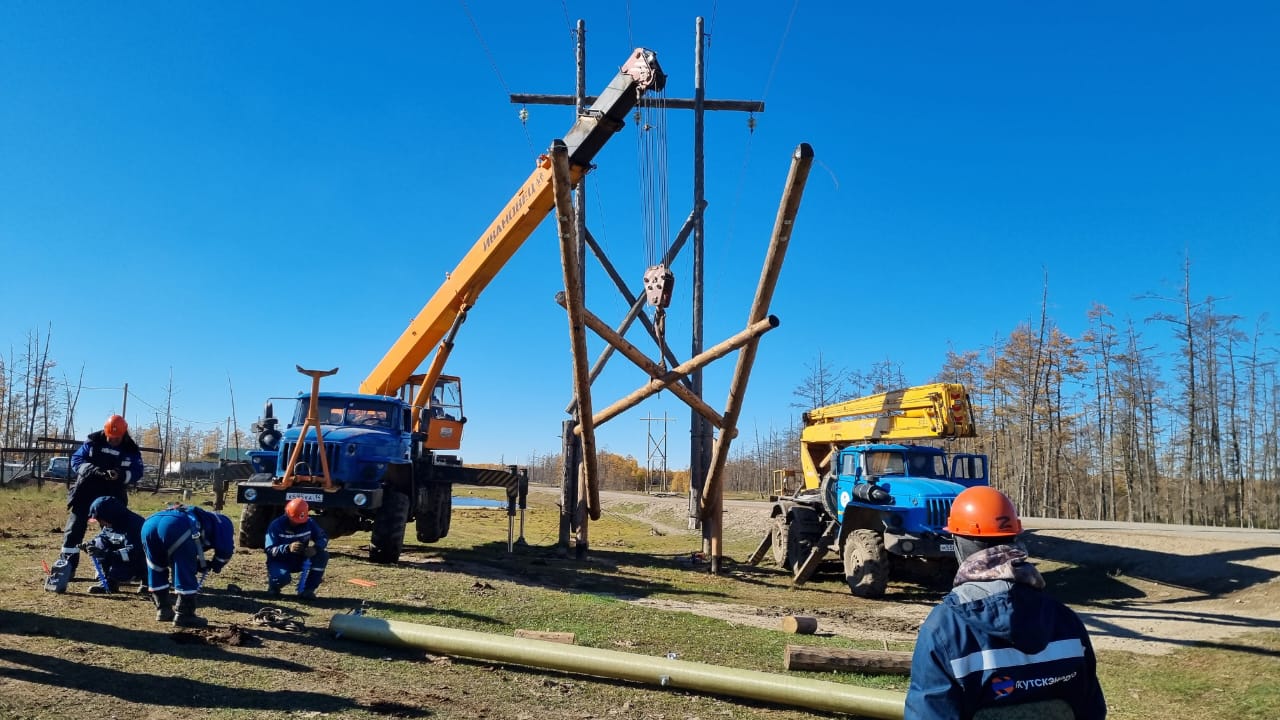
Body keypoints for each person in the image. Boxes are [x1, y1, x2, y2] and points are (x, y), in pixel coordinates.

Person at [906, 486, 1106, 720]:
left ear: (958, 544)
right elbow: (1091, 711)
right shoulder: (1066, 621)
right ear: (1014, 538)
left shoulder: (944, 629)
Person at [47, 415, 144, 590]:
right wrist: (94, 470)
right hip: (85, 493)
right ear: (105, 431)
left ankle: (111, 571)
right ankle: (67, 567)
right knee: (74, 531)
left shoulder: (130, 449)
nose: (113, 440)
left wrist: (120, 475)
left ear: (124, 434)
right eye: (110, 436)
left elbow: (137, 471)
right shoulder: (92, 442)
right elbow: (76, 460)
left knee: (114, 535)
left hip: (112, 498)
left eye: (117, 438)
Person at [141, 503, 235, 627]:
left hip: (150, 523)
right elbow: (225, 552)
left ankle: (163, 610)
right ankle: (184, 614)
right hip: (178, 526)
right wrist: (215, 565)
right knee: (184, 569)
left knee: (155, 567)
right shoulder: (225, 524)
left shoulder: (205, 518)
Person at [79, 495, 147, 593]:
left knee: (124, 566)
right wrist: (90, 545)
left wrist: (107, 554)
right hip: (118, 557)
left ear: (109, 515)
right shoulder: (111, 523)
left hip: (137, 562)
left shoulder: (135, 525)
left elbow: (134, 552)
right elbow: (102, 538)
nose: (99, 522)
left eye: (100, 518)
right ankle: (109, 584)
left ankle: (147, 580)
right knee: (99, 543)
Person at [265, 498, 329, 599]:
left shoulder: (309, 523)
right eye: (294, 521)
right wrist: (287, 548)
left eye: (300, 521)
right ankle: (274, 587)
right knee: (281, 577)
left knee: (322, 555)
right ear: (287, 514)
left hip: (301, 558)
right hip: (280, 561)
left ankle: (308, 590)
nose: (297, 524)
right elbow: (269, 550)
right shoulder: (276, 526)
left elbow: (323, 537)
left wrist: (315, 548)